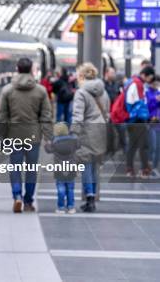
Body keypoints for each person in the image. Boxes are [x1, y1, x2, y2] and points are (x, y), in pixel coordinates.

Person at [0, 58, 53, 213]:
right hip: (33, 136)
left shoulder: (7, 90)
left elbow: (2, 116)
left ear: (17, 68)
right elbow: (46, 116)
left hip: (13, 135)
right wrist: (48, 137)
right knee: (31, 169)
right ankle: (28, 201)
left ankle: (17, 196)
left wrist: (0, 136)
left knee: (15, 168)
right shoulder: (40, 90)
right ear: (31, 69)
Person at [70, 63, 110, 213]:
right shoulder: (103, 92)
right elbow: (106, 113)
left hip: (87, 131)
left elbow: (78, 116)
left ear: (81, 76)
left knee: (86, 165)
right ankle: (93, 196)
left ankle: (90, 198)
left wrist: (74, 133)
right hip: (101, 130)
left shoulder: (81, 93)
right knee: (95, 166)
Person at [125, 66, 155, 178]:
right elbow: (135, 102)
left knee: (133, 145)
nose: (149, 80)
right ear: (145, 75)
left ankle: (130, 169)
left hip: (132, 119)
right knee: (144, 144)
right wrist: (143, 115)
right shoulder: (137, 84)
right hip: (137, 119)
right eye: (149, 77)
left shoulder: (132, 82)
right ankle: (144, 169)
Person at [45, 123, 79, 214]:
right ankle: (71, 207)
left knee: (61, 188)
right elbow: (79, 145)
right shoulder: (73, 141)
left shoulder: (55, 142)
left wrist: (47, 143)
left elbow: (48, 150)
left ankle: (60, 207)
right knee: (70, 188)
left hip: (59, 168)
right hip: (71, 168)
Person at [103, 67, 121, 157]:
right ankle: (107, 150)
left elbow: (118, 96)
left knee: (114, 131)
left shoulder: (116, 84)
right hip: (106, 111)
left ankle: (113, 150)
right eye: (112, 73)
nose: (114, 74)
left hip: (115, 111)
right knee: (107, 131)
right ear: (107, 73)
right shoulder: (102, 84)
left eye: (114, 73)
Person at [147, 78, 160, 178]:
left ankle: (154, 168)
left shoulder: (158, 92)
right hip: (151, 123)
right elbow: (148, 106)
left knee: (158, 148)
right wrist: (155, 100)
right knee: (153, 147)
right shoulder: (147, 93)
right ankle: (149, 168)